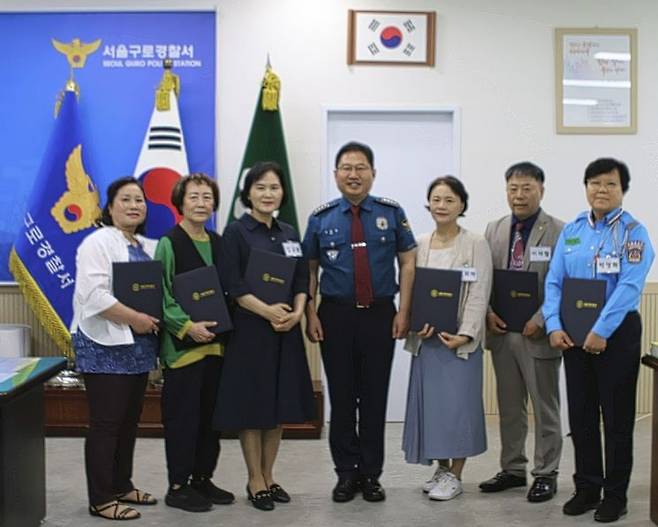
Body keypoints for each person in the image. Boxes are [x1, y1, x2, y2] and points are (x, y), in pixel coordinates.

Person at [303, 141, 416, 503]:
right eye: (346, 168)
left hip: (380, 314)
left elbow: (408, 262)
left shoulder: (391, 212)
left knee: (373, 397)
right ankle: (345, 474)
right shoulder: (321, 218)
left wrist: (404, 311)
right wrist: (310, 313)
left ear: (373, 173)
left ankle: (371, 475)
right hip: (334, 316)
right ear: (336, 174)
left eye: (361, 167)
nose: (353, 174)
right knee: (342, 395)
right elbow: (309, 270)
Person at [543, 158, 655, 523]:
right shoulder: (573, 230)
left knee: (617, 418)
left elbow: (629, 286)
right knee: (582, 415)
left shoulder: (633, 233)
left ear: (623, 190)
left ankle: (615, 494)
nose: (601, 190)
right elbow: (554, 281)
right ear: (586, 186)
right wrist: (553, 324)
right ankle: (587, 487)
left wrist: (601, 331)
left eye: (610, 184)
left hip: (617, 334)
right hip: (573, 334)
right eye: (595, 183)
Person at [214, 161, 315, 511]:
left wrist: (298, 312)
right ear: (248, 193)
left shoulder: (289, 232)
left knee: (278, 406)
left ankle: (269, 476)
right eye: (261, 188)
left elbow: (302, 279)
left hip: (286, 330)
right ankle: (254, 477)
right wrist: (268, 311)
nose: (268, 194)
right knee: (252, 407)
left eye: (274, 188)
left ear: (282, 193)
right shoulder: (236, 233)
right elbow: (234, 285)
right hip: (251, 331)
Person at [71, 177, 160, 521]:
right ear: (110, 207)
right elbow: (92, 295)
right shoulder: (97, 242)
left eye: (140, 199)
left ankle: (122, 484)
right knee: (106, 423)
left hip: (138, 345)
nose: (135, 205)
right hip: (104, 343)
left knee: (129, 421)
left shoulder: (148, 245)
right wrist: (135, 317)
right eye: (126, 199)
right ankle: (101, 497)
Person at [402, 176, 492, 501]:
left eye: (449, 200)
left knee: (458, 409)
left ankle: (456, 474)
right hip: (428, 342)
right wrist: (415, 324)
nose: (442, 205)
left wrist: (466, 333)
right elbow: (411, 288)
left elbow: (480, 291)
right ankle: (441, 468)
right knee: (434, 411)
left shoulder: (475, 243)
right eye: (436, 199)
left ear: (462, 205)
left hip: (459, 344)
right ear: (429, 204)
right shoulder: (420, 242)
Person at [479, 162, 565, 502]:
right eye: (513, 188)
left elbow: (564, 285)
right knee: (509, 406)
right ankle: (513, 469)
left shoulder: (560, 231)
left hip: (539, 333)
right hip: (502, 333)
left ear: (541, 189)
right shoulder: (494, 229)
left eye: (526, 187)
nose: (519, 195)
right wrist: (486, 313)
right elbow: (484, 279)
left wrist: (542, 319)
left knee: (545, 407)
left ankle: (546, 473)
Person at [155, 173, 234, 513]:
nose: (201, 203)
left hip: (216, 347)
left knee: (209, 420)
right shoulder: (168, 243)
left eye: (207, 197)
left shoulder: (219, 242)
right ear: (180, 202)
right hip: (183, 349)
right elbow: (162, 294)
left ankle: (202, 478)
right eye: (194, 197)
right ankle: (178, 485)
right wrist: (187, 327)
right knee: (183, 419)